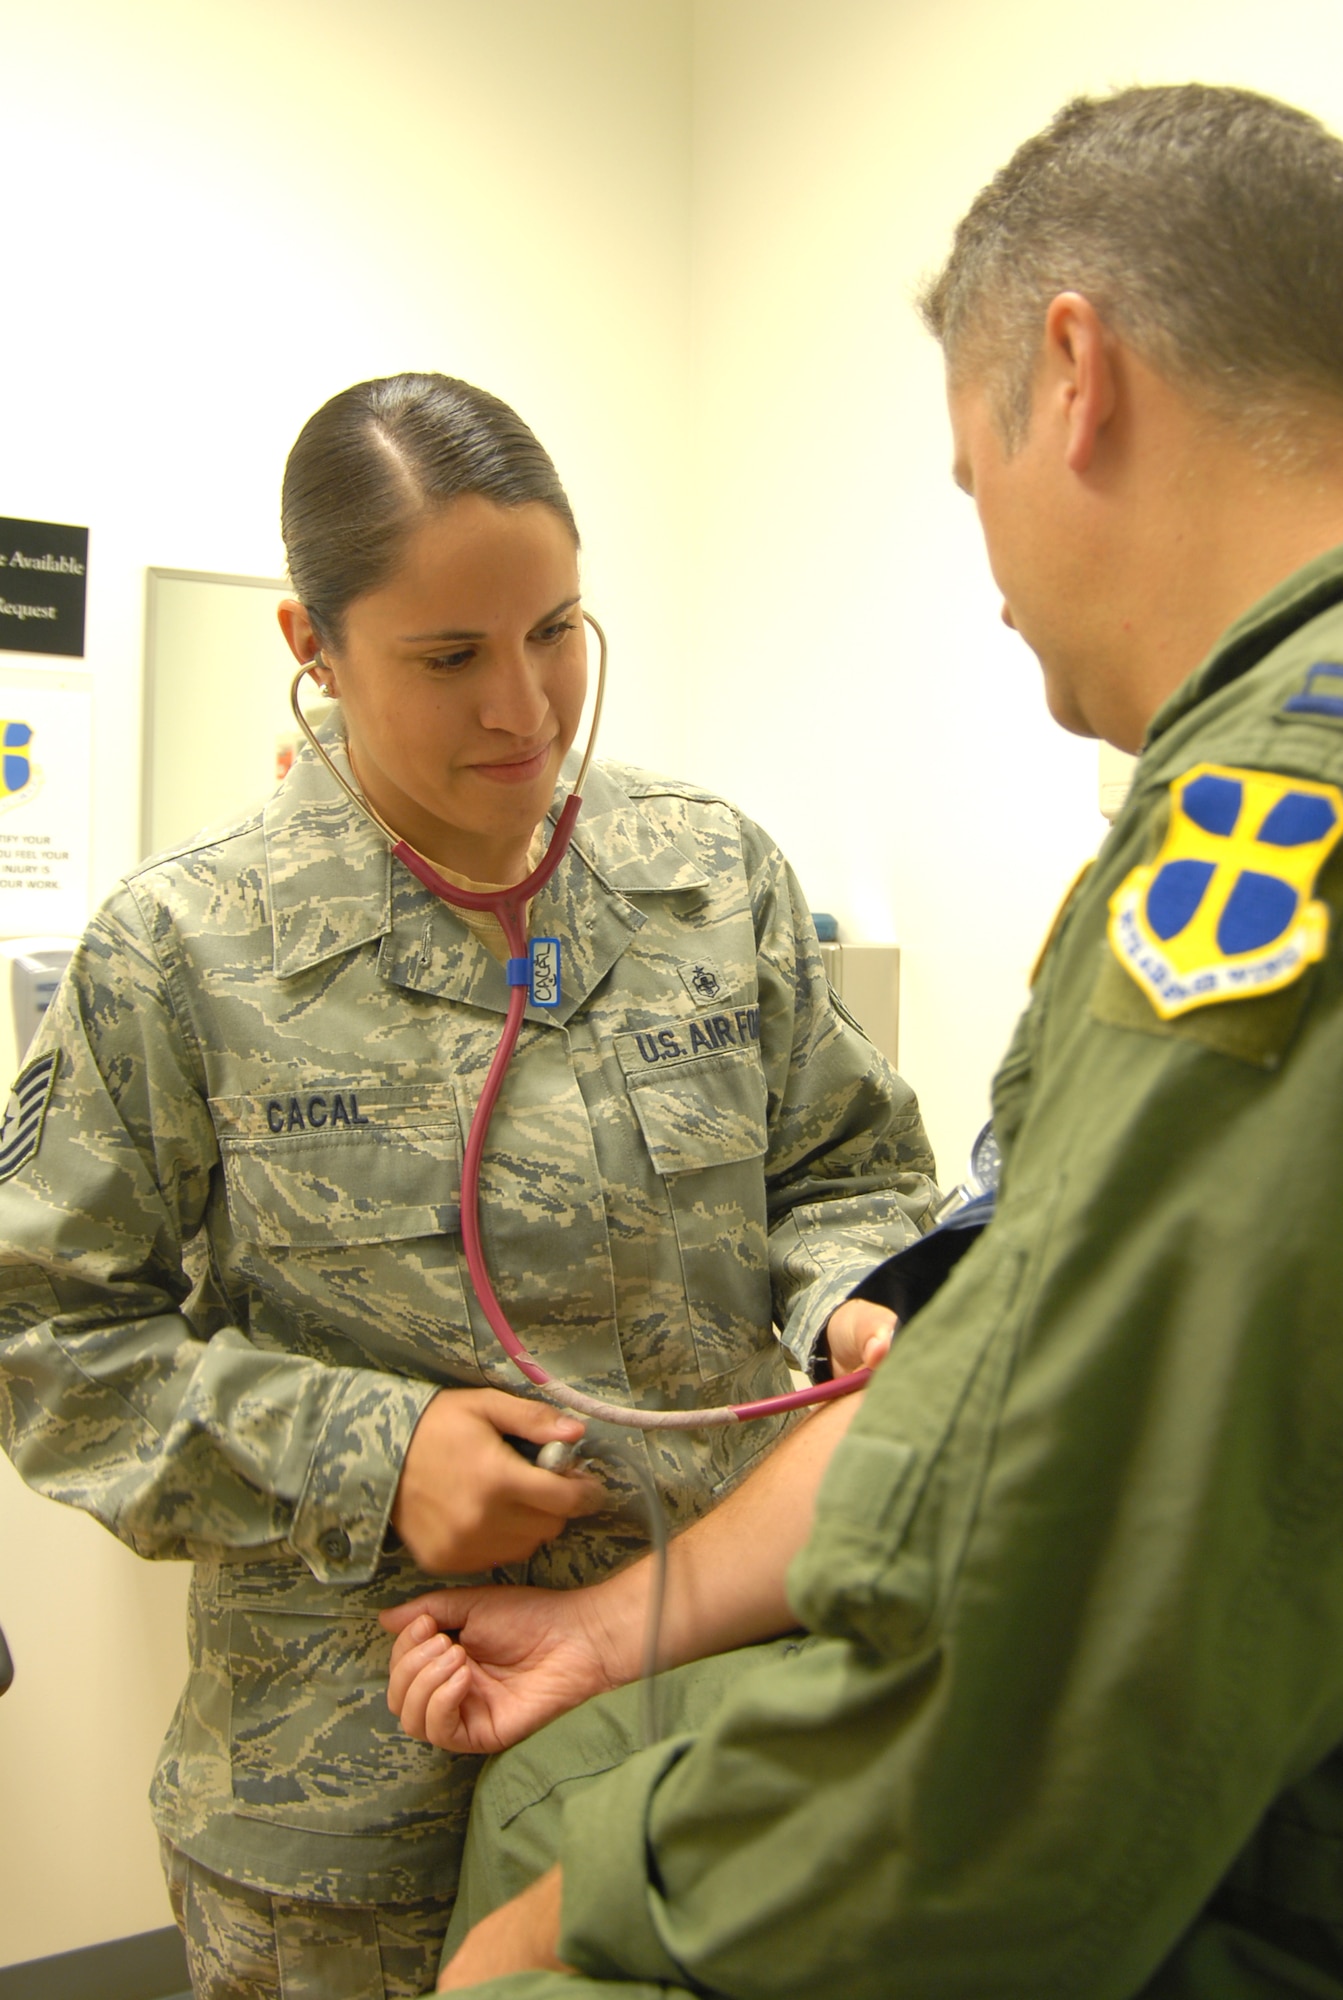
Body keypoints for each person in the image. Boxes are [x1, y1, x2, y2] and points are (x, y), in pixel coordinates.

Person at [384, 85, 1343, 1997]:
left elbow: (1056, 1686)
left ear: (1071, 375)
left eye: (963, 473)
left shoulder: (1264, 836)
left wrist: (595, 1917)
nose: (987, 563)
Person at [0, 373, 937, 1999]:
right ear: (312, 645)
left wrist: (853, 1295)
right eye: (448, 658)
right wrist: (374, 1450)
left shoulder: (706, 871)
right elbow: (48, 1346)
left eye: (557, 631)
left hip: (703, 1722)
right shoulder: (180, 955)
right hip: (355, 1808)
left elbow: (852, 1169)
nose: (526, 706)